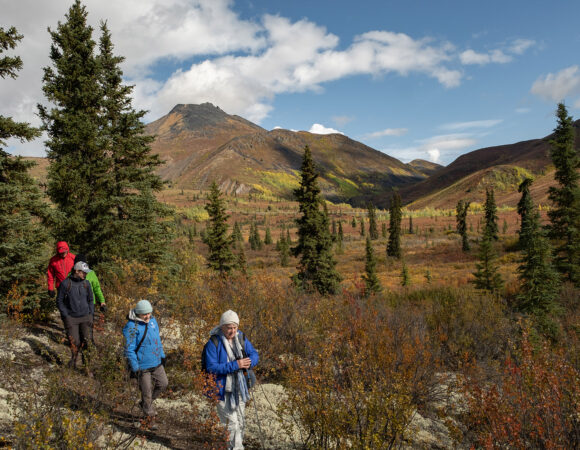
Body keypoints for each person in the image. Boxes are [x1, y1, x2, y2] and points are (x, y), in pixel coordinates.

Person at [203, 310, 259, 450]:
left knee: (240, 421)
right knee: (232, 424)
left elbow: (254, 354)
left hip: (239, 388)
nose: (232, 331)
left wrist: (250, 362)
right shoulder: (213, 343)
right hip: (221, 389)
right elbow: (211, 367)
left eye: (235, 327)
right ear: (222, 326)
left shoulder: (241, 338)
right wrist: (236, 365)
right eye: (229, 327)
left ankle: (234, 447)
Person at [123, 299, 168, 430]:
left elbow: (157, 341)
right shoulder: (131, 327)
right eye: (145, 314)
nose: (147, 316)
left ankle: (145, 404)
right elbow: (129, 349)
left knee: (163, 384)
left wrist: (162, 355)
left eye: (149, 313)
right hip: (143, 367)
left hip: (156, 362)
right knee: (146, 392)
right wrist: (135, 367)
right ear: (138, 313)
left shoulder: (153, 322)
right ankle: (149, 419)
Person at [56, 261, 94, 372]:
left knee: (88, 342)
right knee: (75, 343)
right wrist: (66, 315)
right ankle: (73, 364)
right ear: (76, 271)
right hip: (71, 319)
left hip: (86, 317)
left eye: (86, 273)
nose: (85, 274)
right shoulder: (65, 284)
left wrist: (91, 314)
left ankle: (87, 367)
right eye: (83, 272)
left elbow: (91, 300)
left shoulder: (86, 284)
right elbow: (59, 301)